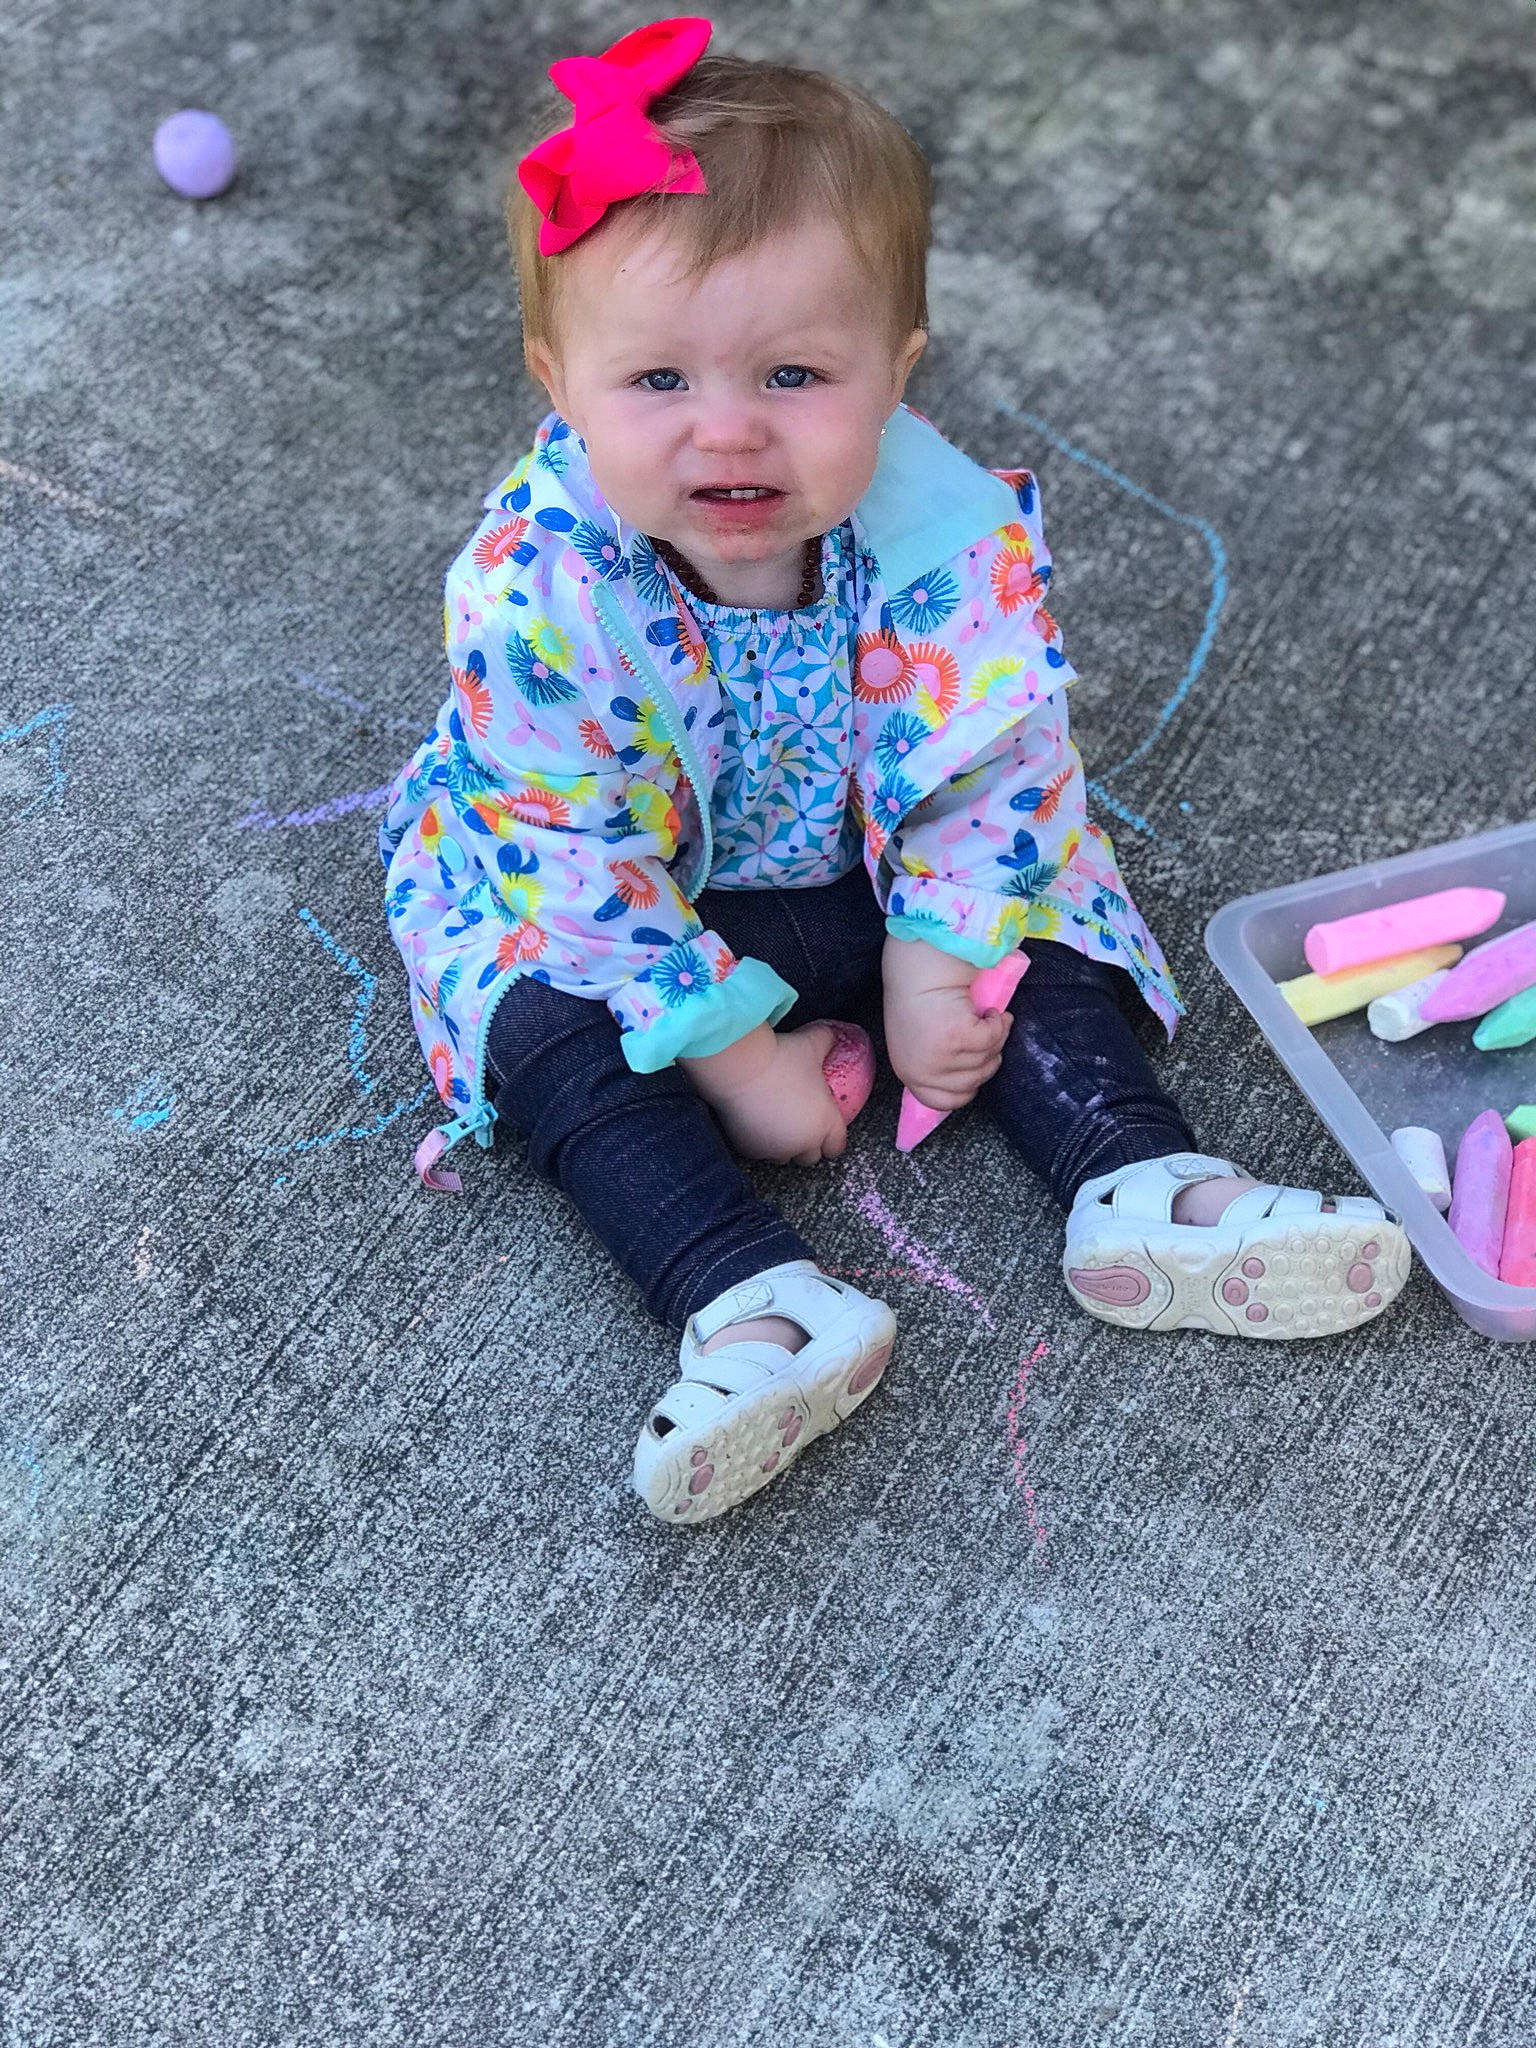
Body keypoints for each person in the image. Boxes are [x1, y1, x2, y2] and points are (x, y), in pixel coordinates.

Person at [379, 16, 1408, 1525]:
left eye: (795, 372)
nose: (727, 427)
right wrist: (731, 1050)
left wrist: (942, 950)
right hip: (630, 900)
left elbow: (996, 762)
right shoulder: (540, 592)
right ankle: (755, 1305)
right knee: (543, 1020)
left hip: (873, 870)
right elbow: (563, 847)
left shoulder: (944, 533)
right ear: (557, 380)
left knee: (1039, 920)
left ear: (896, 369)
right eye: (656, 378)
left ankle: (1145, 1186)